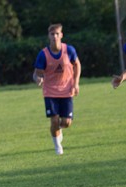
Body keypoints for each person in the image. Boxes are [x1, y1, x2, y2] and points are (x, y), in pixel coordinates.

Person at [33, 23, 81, 155]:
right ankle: (57, 145)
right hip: (50, 91)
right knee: (54, 120)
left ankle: (57, 130)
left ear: (61, 35)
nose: (55, 36)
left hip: (66, 90)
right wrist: (38, 79)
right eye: (52, 34)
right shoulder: (43, 54)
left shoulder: (69, 50)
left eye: (57, 34)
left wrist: (76, 83)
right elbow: (37, 72)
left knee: (66, 123)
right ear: (48, 36)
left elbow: (77, 65)